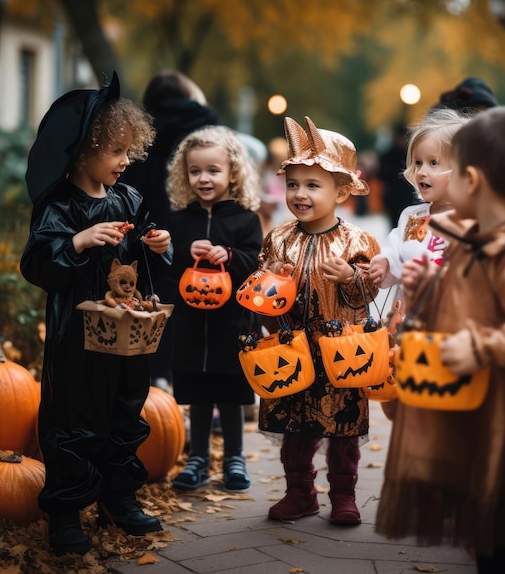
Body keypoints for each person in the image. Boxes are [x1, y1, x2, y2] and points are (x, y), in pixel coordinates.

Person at [375, 106, 505, 573]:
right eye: (419, 164)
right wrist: (424, 287)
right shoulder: (460, 233)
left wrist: (479, 345)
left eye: (445, 169)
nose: (426, 177)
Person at [20, 74, 173, 556]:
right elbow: (37, 264)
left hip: (126, 336)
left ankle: (117, 497)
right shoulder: (58, 206)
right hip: (77, 341)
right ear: (84, 151)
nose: (126, 162)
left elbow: (142, 251)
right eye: (116, 152)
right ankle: (65, 512)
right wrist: (77, 242)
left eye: (130, 151)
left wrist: (158, 245)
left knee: (124, 412)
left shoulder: (127, 198)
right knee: (74, 419)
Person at [257, 115, 380, 526]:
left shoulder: (357, 240)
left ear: (342, 191)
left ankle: (344, 494)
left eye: (313, 185)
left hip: (341, 350)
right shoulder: (278, 238)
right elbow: (261, 297)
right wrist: (269, 277)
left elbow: (369, 293)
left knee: (343, 429)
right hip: (292, 349)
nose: (300, 193)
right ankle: (300, 492)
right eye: (293, 184)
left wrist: (353, 278)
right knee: (295, 426)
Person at [164, 125, 263, 492]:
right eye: (195, 171)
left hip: (231, 324)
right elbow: (167, 268)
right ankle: (198, 460)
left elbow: (257, 262)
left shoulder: (245, 219)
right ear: (185, 174)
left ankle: (234, 459)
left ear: (232, 173)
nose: (203, 178)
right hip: (191, 325)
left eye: (213, 170)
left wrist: (232, 255)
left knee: (231, 393)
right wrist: (179, 252)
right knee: (200, 395)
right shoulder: (179, 220)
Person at [121, 70, 220, 392]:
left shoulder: (136, 128)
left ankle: (155, 377)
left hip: (146, 221)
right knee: (198, 298)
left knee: (152, 298)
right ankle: (191, 389)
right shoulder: (207, 126)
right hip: (196, 221)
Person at [370, 108, 471, 291]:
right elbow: (396, 252)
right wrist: (386, 262)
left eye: (433, 163)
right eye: (418, 163)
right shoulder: (412, 218)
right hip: (411, 312)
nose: (422, 172)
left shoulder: (470, 221)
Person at [378, 123, 416, 228]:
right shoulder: (389, 156)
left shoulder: (409, 155)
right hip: (394, 196)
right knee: (395, 223)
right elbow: (382, 176)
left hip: (407, 195)